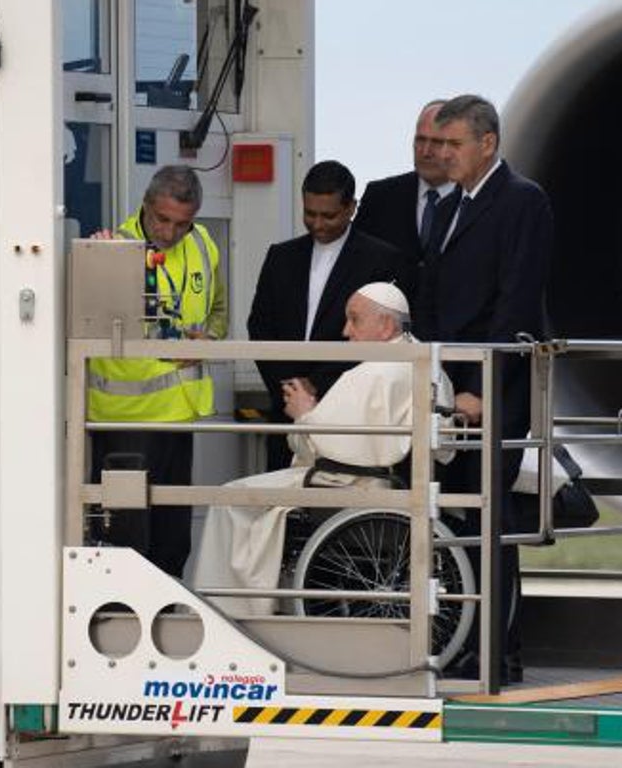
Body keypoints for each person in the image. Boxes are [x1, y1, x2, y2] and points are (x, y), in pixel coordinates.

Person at [194, 283, 453, 616]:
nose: (346, 331)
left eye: (354, 320)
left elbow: (323, 446)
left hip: (348, 485)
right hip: (384, 482)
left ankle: (228, 612)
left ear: (386, 325)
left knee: (229, 497)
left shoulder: (375, 372)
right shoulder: (423, 361)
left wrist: (303, 412)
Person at [426, 94, 554, 682]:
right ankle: (467, 643)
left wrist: (481, 385)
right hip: (452, 388)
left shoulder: (521, 201)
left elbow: (516, 302)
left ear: (488, 144)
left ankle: (497, 652)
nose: (443, 154)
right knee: (457, 519)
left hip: (491, 393)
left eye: (453, 144)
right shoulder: (453, 205)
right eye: (439, 143)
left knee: (488, 520)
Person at [87, 165, 227, 578]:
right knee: (125, 538)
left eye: (182, 223)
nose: (170, 232)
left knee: (172, 539)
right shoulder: (114, 248)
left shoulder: (202, 244)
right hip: (124, 420)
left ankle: (166, 620)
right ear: (145, 207)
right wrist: (98, 256)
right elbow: (88, 321)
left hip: (179, 416)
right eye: (162, 219)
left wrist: (210, 340)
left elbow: (218, 312)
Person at [247, 160, 401, 471]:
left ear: (351, 208)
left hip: (348, 412)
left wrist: (317, 384)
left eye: (328, 215)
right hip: (285, 409)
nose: (317, 223)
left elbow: (379, 338)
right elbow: (260, 325)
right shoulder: (281, 256)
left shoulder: (381, 260)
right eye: (309, 214)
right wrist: (290, 385)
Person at [354, 100, 462, 309]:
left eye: (437, 142)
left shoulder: (474, 201)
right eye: (420, 140)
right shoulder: (380, 197)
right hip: (387, 330)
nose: (426, 151)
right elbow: (357, 266)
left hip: (454, 334)